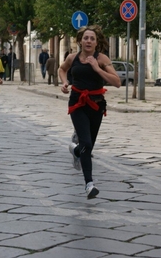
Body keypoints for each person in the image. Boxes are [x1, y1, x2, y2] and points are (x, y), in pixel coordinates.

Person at [59, 25, 121, 199]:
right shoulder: (73, 58)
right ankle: (89, 184)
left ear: (96, 42)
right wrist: (65, 83)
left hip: (96, 105)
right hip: (77, 103)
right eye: (85, 38)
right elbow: (62, 69)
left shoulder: (101, 59)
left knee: (88, 146)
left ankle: (76, 150)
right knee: (86, 142)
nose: (88, 41)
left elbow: (117, 82)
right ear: (80, 40)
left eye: (92, 38)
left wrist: (97, 68)